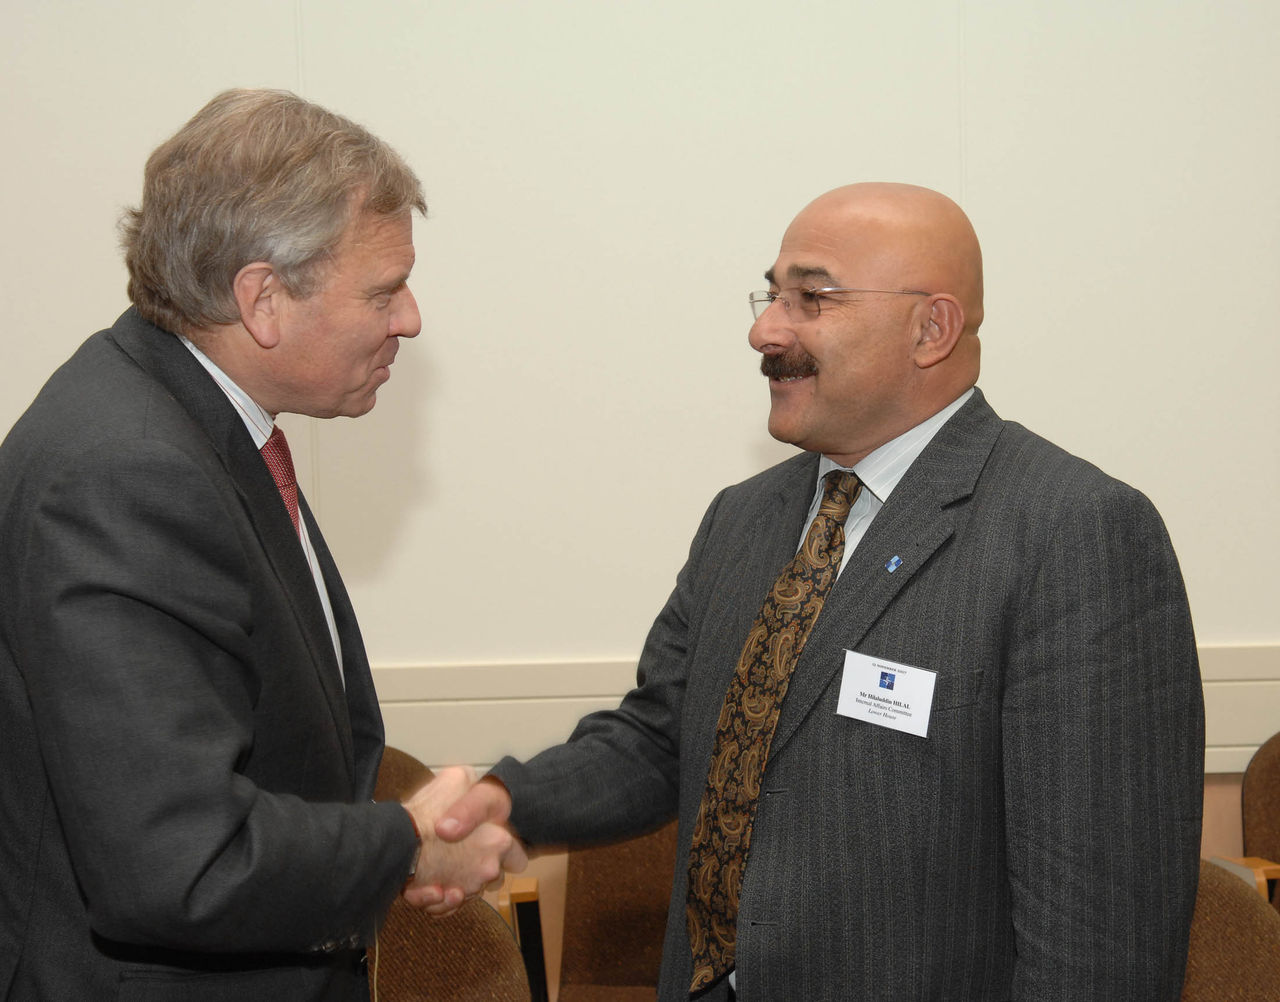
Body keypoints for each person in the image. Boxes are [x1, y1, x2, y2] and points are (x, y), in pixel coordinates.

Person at [434, 183, 1205, 1000]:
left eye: (813, 298)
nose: (765, 330)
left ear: (930, 328)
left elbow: (1103, 942)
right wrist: (503, 800)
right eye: (772, 295)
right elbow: (663, 736)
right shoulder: (744, 519)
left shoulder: (1073, 532)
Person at [0, 89, 525, 1001]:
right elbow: (180, 861)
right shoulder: (127, 472)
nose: (410, 318)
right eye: (384, 288)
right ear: (263, 299)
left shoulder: (185, 425)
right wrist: (405, 841)